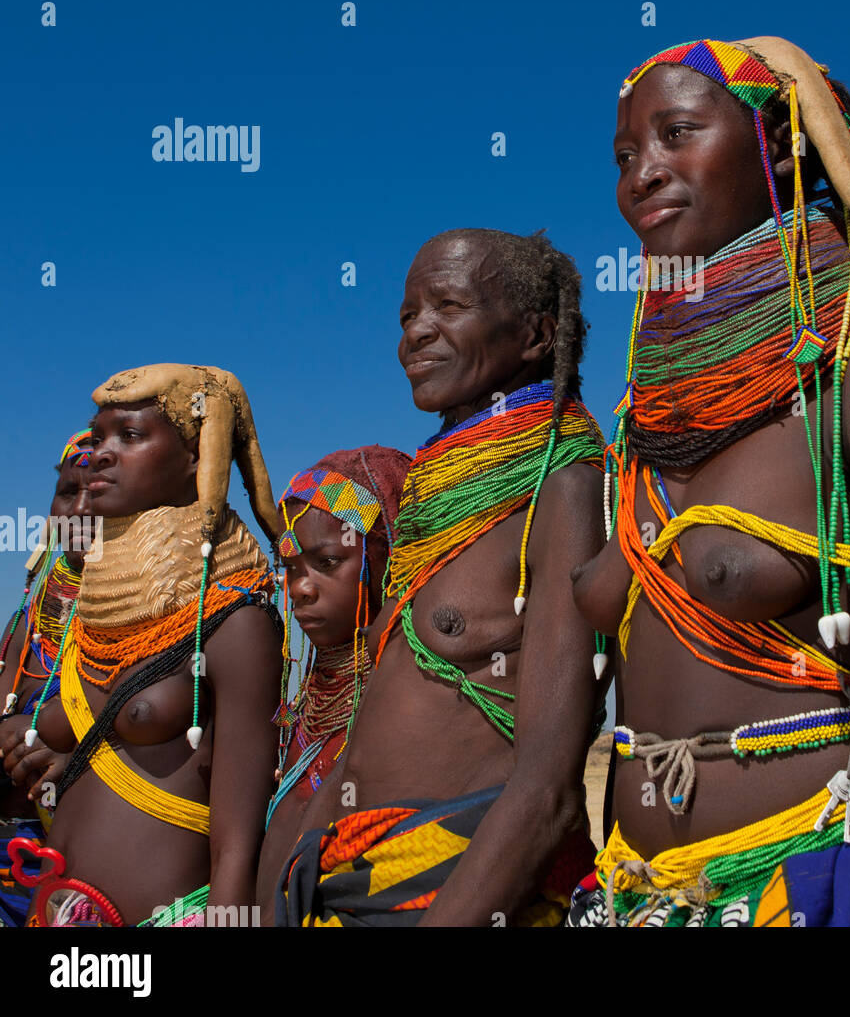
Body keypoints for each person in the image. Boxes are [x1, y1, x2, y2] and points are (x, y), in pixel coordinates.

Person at [570, 36, 850, 926]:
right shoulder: (644, 427)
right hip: (632, 896)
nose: (641, 175)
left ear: (778, 147)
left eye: (677, 133)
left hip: (821, 880)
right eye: (625, 156)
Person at [278, 230, 607, 926]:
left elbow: (549, 790)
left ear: (537, 336)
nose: (415, 334)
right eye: (406, 316)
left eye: (448, 306)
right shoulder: (432, 508)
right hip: (343, 884)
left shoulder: (564, 493)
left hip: (460, 892)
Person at [11, 364, 282, 926]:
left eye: (130, 437)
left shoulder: (236, 621)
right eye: (100, 435)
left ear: (194, 458)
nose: (101, 454)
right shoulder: (91, 615)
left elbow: (237, 840)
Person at [255, 444, 409, 920]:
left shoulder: (406, 695)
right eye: (292, 568)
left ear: (389, 556)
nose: (300, 587)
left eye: (326, 563)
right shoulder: (302, 705)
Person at [0, 430, 94, 926]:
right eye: (66, 492)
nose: (78, 511)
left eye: (97, 494)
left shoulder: (160, 622)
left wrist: (75, 760)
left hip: (92, 863)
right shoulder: (29, 613)